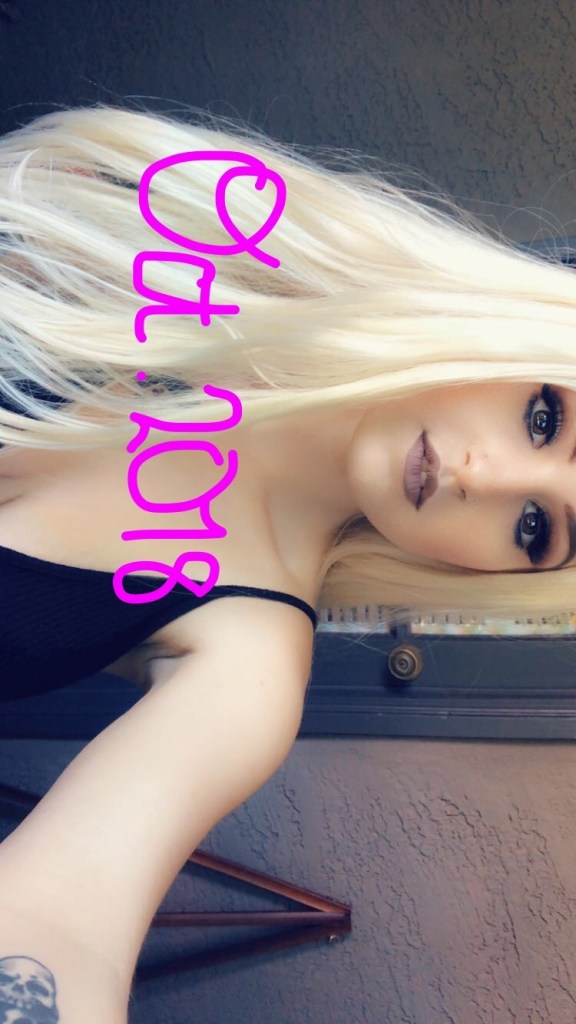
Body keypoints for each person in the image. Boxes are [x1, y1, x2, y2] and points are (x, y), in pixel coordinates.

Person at [0, 105, 574, 1023]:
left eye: (538, 528)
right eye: (544, 418)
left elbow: (62, 927)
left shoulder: (250, 663)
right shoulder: (220, 219)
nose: (486, 480)